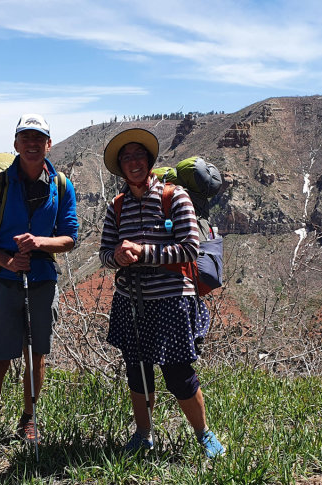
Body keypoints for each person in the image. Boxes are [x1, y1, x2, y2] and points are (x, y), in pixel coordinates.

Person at [99, 128, 225, 458]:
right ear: (120, 166)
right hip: (131, 301)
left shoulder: (175, 198)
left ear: (149, 161)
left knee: (179, 373)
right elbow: (104, 253)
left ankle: (204, 435)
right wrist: (118, 257)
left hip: (172, 301)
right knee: (137, 371)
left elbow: (188, 250)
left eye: (139, 155)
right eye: (126, 158)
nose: (133, 162)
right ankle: (143, 434)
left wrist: (142, 253)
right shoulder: (117, 206)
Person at [0, 114, 78, 451]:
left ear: (48, 144)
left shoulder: (62, 185)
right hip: (4, 282)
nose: (32, 144)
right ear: (16, 144)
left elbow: (70, 238)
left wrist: (40, 243)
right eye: (25, 138)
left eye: (39, 138)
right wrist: (10, 262)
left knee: (36, 356)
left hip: (43, 281)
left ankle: (28, 419)